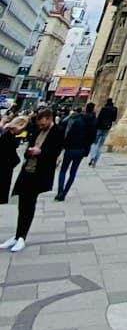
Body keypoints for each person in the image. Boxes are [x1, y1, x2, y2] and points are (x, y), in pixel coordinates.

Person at [3, 108, 64, 252]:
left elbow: (54, 153)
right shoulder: (37, 131)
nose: (41, 126)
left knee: (29, 205)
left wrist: (40, 152)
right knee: (22, 205)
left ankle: (22, 237)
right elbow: (27, 149)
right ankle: (17, 236)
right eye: (39, 124)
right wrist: (30, 152)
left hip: (39, 174)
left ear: (49, 119)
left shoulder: (58, 132)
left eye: (43, 124)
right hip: (27, 171)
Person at [56, 102, 97, 201]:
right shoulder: (93, 122)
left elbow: (67, 131)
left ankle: (60, 191)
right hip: (81, 150)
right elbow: (92, 138)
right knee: (73, 172)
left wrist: (64, 145)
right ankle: (64, 193)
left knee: (63, 170)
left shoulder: (77, 119)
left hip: (70, 148)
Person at [0, 114, 29, 204]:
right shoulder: (7, 137)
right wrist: (16, 161)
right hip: (4, 168)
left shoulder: (7, 135)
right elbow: (9, 154)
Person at [89, 98, 118, 167]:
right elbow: (114, 119)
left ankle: (92, 157)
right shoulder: (114, 109)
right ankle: (95, 161)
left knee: (95, 143)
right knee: (100, 145)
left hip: (100, 127)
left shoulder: (104, 108)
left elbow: (99, 118)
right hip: (107, 128)